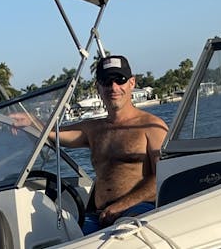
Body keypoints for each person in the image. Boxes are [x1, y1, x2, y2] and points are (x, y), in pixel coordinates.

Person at [12, 55, 168, 235]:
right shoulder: (92, 129)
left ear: (131, 83)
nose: (114, 87)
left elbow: (163, 177)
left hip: (139, 209)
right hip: (97, 215)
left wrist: (121, 206)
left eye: (120, 80)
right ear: (98, 87)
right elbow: (54, 133)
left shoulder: (151, 127)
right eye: (106, 81)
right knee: (69, 240)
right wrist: (30, 121)